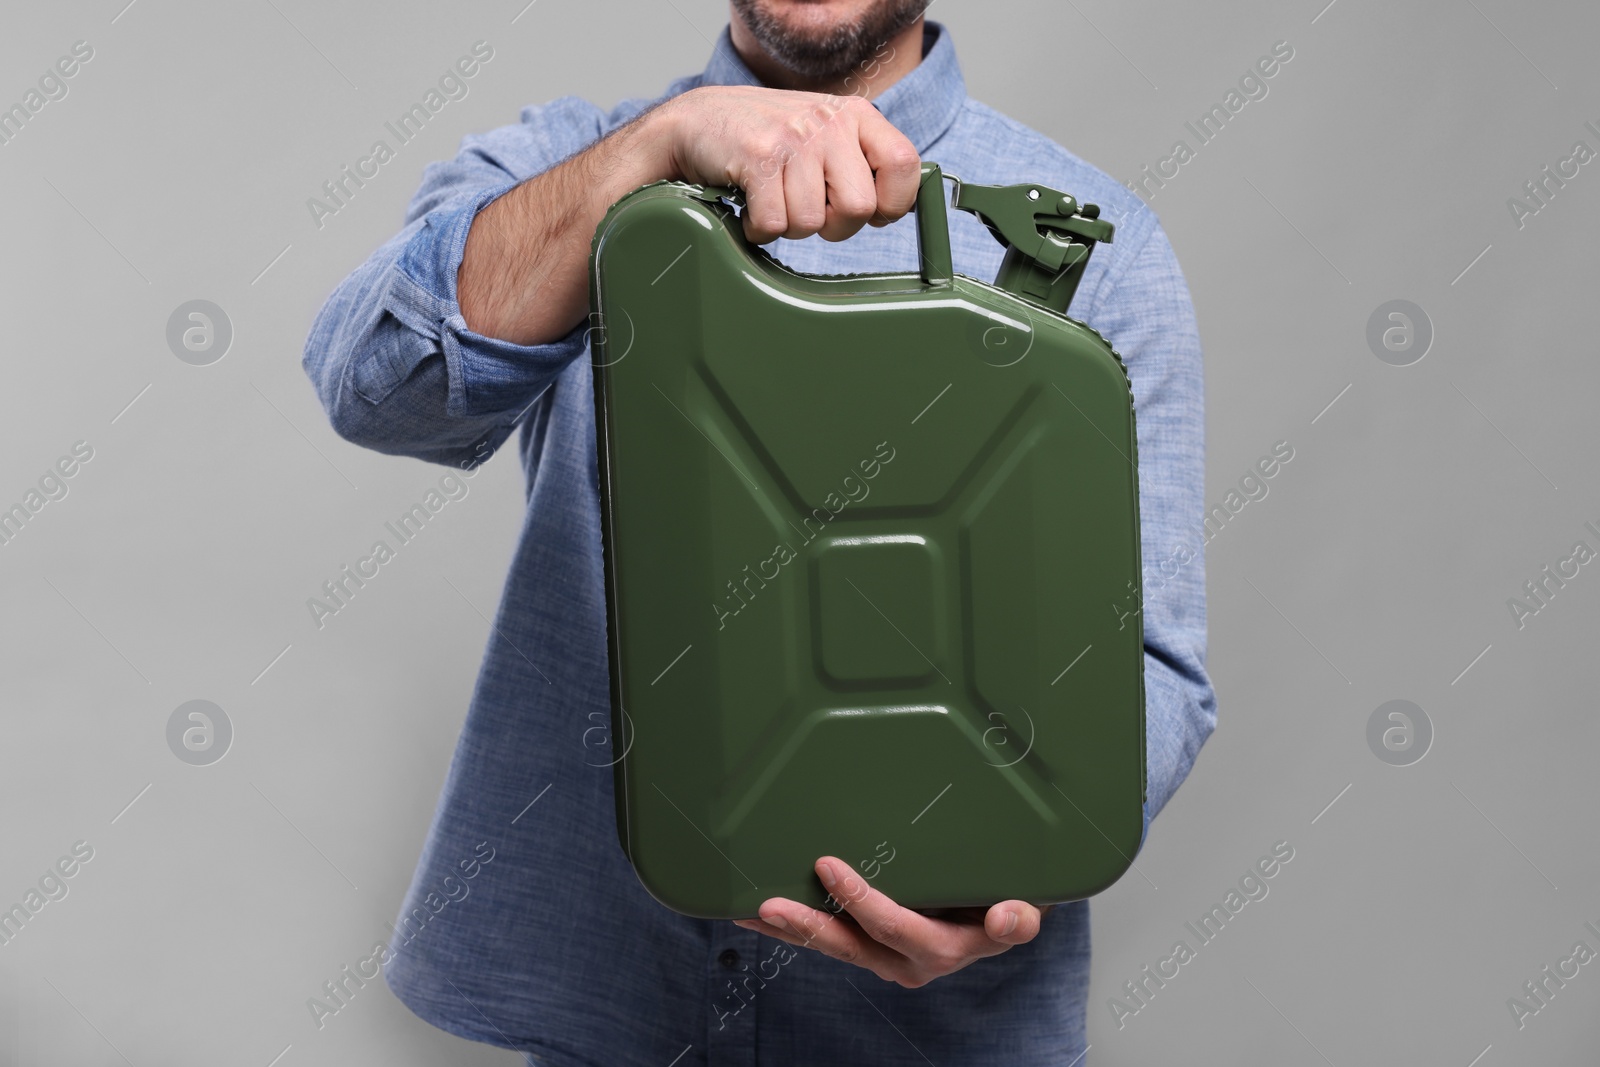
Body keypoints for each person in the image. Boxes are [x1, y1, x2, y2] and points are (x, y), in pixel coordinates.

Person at [302, 1, 1215, 1063]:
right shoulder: (568, 164)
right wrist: (643, 159)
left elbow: (1154, 669)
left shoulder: (1092, 242)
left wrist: (999, 862)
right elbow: (381, 390)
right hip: (606, 1016)